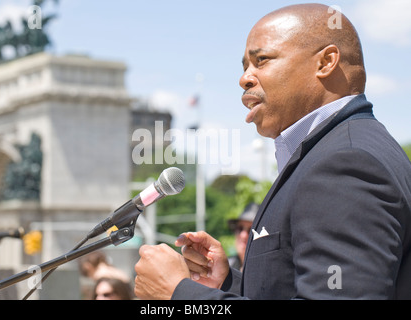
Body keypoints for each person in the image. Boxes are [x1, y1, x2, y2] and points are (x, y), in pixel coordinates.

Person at [133, 3, 411, 300]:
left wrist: (180, 294)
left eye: (261, 60)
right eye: (244, 67)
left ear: (326, 62)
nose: (245, 78)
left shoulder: (344, 163)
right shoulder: (336, 150)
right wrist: (228, 284)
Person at [227, 203, 258, 271]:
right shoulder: (226, 267)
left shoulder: (268, 269)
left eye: (251, 230)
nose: (243, 235)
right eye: (240, 228)